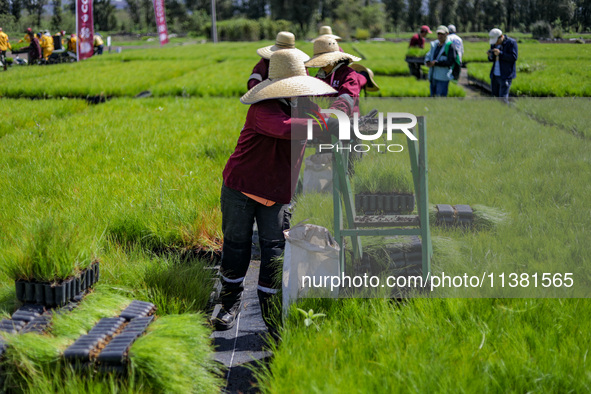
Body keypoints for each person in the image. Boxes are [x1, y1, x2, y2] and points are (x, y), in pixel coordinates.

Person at [216, 50, 336, 334]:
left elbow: (321, 123)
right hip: (242, 188)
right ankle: (230, 305)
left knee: (274, 252)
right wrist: (325, 127)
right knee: (236, 247)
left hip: (278, 193)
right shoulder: (263, 108)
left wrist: (341, 122)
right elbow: (285, 129)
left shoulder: (305, 106)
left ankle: (270, 314)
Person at [304, 36, 366, 116]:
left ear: (335, 58)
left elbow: (346, 98)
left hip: (346, 121)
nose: (322, 64)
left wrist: (331, 113)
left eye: (325, 60)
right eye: (320, 60)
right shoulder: (319, 76)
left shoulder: (348, 74)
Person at [424, 25, 458, 97]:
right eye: (438, 34)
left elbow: (451, 61)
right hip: (433, 75)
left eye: (442, 34)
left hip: (443, 77)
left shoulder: (450, 46)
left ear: (447, 34)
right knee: (432, 98)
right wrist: (427, 62)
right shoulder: (435, 45)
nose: (440, 36)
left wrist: (436, 63)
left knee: (440, 99)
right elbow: (428, 55)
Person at [487, 28, 518, 101]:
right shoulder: (494, 44)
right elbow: (492, 59)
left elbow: (513, 57)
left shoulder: (511, 43)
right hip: (495, 75)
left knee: (503, 100)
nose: (496, 43)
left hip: (505, 76)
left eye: (497, 41)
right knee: (495, 98)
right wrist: (490, 56)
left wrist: (500, 53)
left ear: (501, 37)